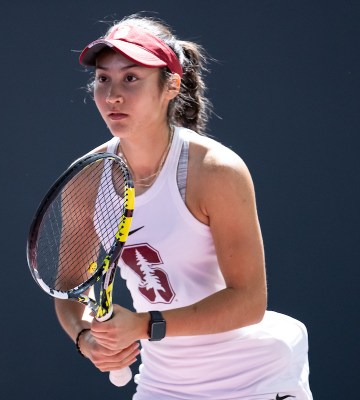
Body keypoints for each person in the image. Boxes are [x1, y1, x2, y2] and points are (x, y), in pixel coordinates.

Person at [54, 13, 313, 400]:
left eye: (131, 78)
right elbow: (69, 290)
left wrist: (145, 325)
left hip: (255, 380)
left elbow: (248, 300)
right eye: (103, 79)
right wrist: (86, 336)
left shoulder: (215, 171)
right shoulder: (86, 181)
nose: (113, 96)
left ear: (171, 85)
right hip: (164, 385)